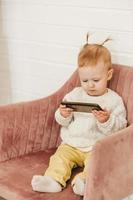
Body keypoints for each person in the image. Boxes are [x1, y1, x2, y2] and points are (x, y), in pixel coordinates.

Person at [31, 34, 127, 196]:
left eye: (96, 80)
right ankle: (53, 180)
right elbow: (61, 120)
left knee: (96, 165)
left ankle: (83, 181)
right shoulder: (75, 94)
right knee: (59, 158)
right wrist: (63, 114)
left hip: (95, 147)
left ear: (108, 75)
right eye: (84, 80)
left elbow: (121, 126)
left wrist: (106, 120)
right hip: (71, 143)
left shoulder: (113, 100)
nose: (89, 85)